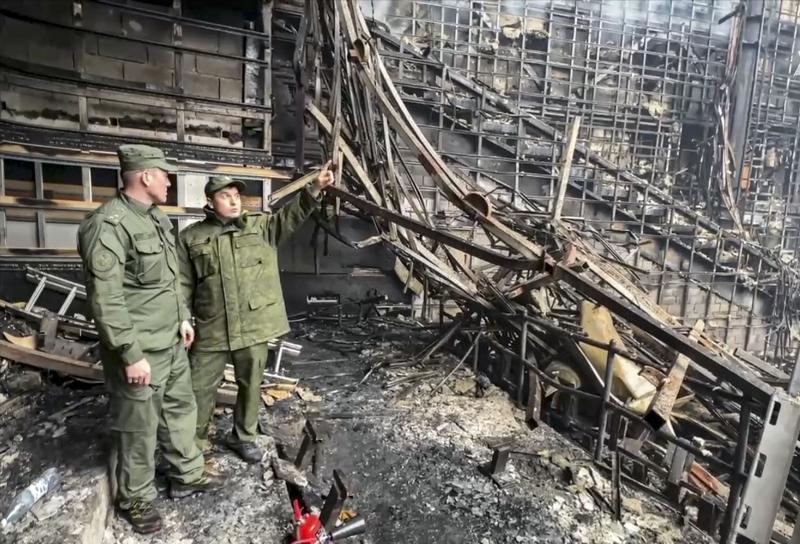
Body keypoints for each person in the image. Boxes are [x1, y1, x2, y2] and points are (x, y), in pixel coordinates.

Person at [78, 145, 223, 534]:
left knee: (180, 408)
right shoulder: (108, 226)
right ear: (145, 177)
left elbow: (171, 279)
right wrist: (130, 353)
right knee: (138, 426)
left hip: (171, 341)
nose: (169, 181)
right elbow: (105, 300)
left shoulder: (156, 220)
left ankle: (186, 475)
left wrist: (183, 319)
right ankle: (135, 498)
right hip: (139, 349)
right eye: (164, 174)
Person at [178, 162, 334, 463]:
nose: (235, 200)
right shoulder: (191, 238)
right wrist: (183, 316)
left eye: (237, 194)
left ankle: (243, 436)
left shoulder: (261, 227)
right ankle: (192, 445)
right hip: (212, 326)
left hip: (252, 325)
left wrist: (314, 188)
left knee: (250, 385)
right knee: (198, 388)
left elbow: (292, 214)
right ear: (210, 202)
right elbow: (181, 283)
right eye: (226, 196)